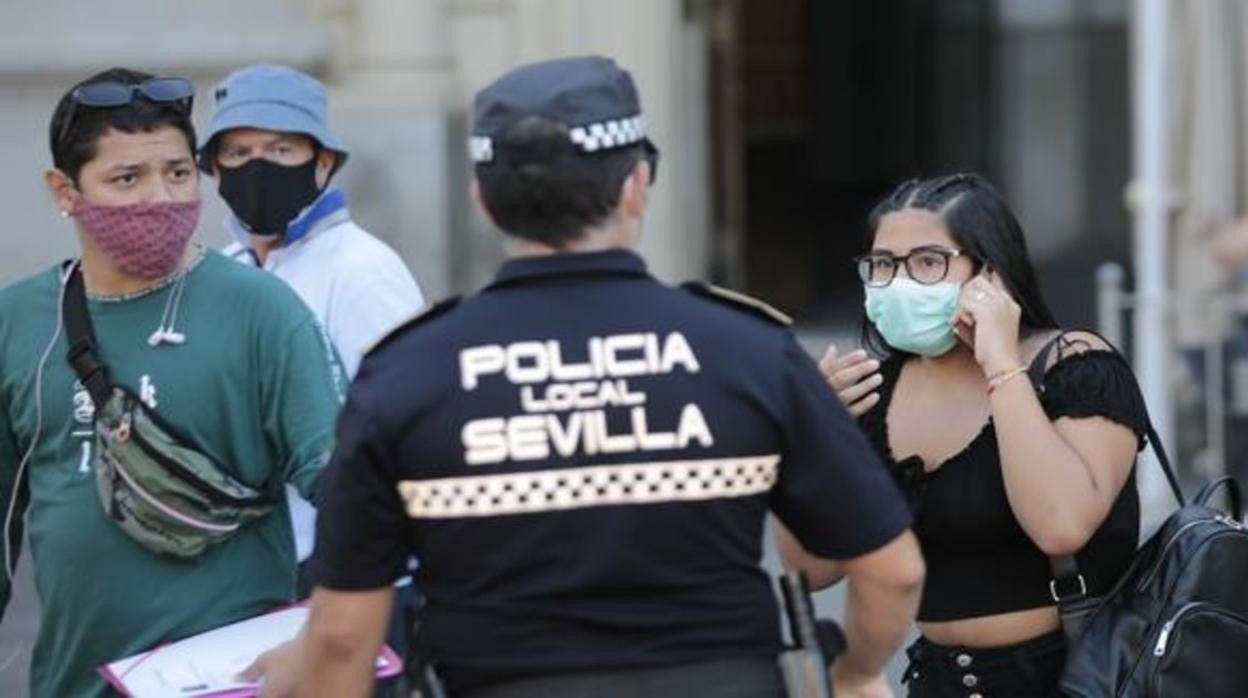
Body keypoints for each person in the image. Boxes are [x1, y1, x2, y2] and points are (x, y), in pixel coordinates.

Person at [248, 55, 925, 698]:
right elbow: (893, 572)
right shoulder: (747, 348)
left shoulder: (408, 371)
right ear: (636, 186)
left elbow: (341, 640)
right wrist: (854, 669)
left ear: (483, 198)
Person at [0, 67, 344, 697]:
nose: (159, 197)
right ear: (63, 189)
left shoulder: (261, 311)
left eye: (178, 173)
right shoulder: (17, 321)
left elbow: (351, 490)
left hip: (236, 686)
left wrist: (327, 639)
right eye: (126, 178)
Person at [794, 174, 1146, 697]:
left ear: (990, 271)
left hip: (1070, 676)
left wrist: (1002, 365)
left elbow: (1061, 526)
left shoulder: (1073, 366)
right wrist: (812, 440)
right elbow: (813, 570)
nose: (900, 282)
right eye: (883, 265)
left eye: (928, 262)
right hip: (938, 679)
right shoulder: (876, 388)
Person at [198, 67, 426, 678]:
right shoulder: (224, 271)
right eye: (238, 152)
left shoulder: (364, 271)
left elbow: (407, 431)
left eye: (281, 149)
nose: (258, 166)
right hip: (250, 575)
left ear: (322, 162)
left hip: (340, 577)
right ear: (214, 170)